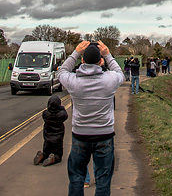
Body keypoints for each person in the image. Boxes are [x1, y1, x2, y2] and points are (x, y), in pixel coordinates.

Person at [59, 40, 124, 196]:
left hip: (80, 135)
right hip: (104, 135)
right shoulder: (109, 80)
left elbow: (62, 71)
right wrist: (108, 54)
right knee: (103, 180)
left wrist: (76, 52)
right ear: (100, 61)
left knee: (76, 178)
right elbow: (120, 72)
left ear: (82, 60)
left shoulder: (74, 81)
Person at [34, 94, 68, 166]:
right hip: (58, 140)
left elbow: (46, 111)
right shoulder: (61, 115)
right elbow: (66, 115)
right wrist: (61, 107)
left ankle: (42, 156)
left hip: (47, 139)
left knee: (46, 152)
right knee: (58, 156)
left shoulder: (46, 114)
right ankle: (53, 158)